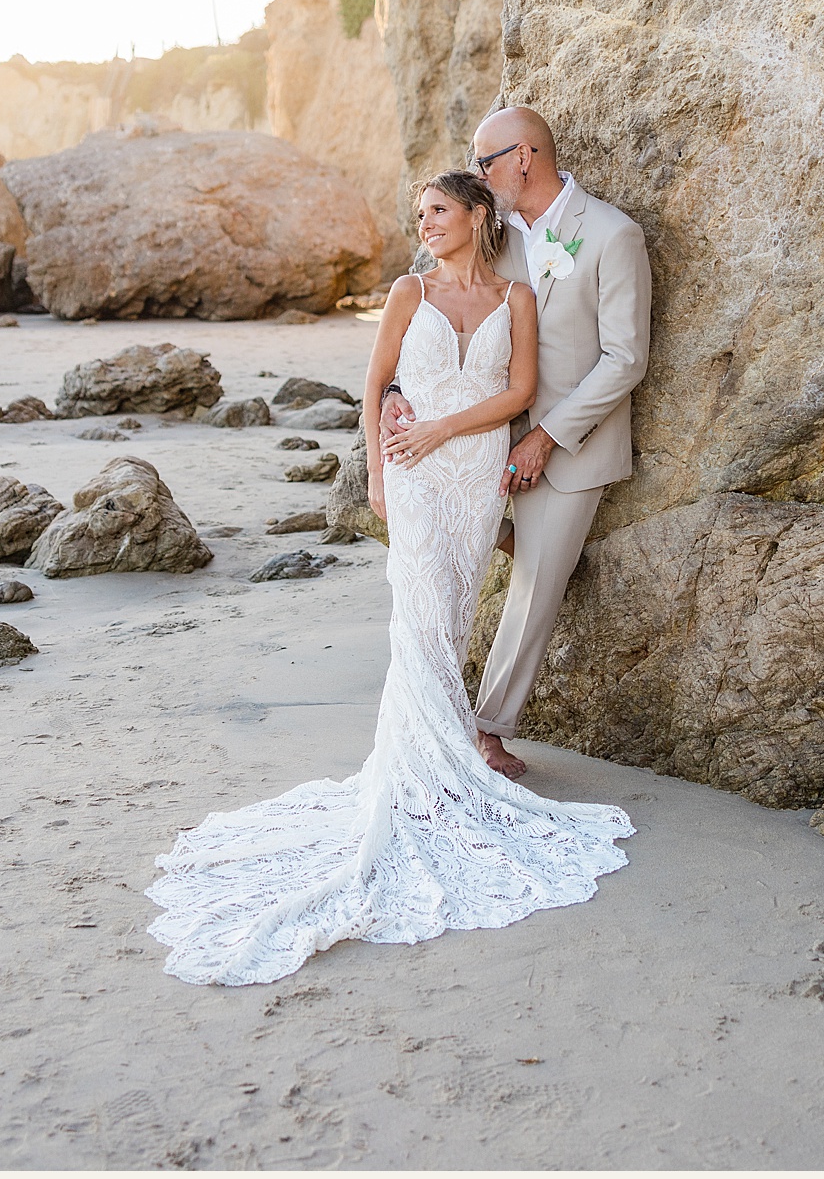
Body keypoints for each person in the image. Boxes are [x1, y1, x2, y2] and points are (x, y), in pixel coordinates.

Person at [145, 170, 633, 987]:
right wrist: (376, 474)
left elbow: (517, 392)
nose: (427, 222)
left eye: (440, 209)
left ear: (480, 217)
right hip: (411, 472)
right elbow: (374, 387)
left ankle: (447, 765)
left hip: (474, 468)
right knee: (419, 617)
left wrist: (444, 425)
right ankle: (419, 775)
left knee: (448, 618)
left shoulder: (516, 299)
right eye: (420, 214)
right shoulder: (408, 290)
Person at [382, 106, 651, 780]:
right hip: (477, 443)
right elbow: (433, 317)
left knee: (535, 586)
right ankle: (423, 710)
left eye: (485, 161)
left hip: (570, 444)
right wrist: (394, 395)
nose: (478, 174)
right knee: (443, 576)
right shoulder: (490, 233)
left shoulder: (614, 236)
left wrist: (547, 439)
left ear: (524, 157)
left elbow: (626, 357)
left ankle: (486, 730)